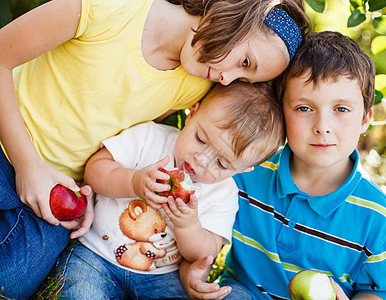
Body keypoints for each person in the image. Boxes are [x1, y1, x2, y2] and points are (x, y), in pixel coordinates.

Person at [0, 0, 311, 297]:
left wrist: (89, 191)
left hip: (60, 185)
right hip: (8, 145)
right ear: (233, 7)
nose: (226, 78)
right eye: (244, 62)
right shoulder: (108, 9)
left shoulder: (195, 84)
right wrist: (28, 165)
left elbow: (119, 135)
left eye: (244, 76)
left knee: (13, 278)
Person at [180, 31, 386, 300]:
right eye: (303, 108)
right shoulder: (243, 174)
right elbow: (201, 239)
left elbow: (381, 292)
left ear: (365, 119)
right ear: (282, 111)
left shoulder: (376, 216)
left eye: (341, 109)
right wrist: (190, 273)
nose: (322, 127)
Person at [52, 81, 286, 299]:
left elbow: (205, 254)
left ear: (244, 170)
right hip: (95, 254)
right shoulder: (150, 138)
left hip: (162, 277)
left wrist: (188, 225)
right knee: (81, 289)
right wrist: (133, 182)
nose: (201, 160)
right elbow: (95, 169)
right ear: (192, 114)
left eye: (222, 164)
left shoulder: (223, 195)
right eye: (201, 139)